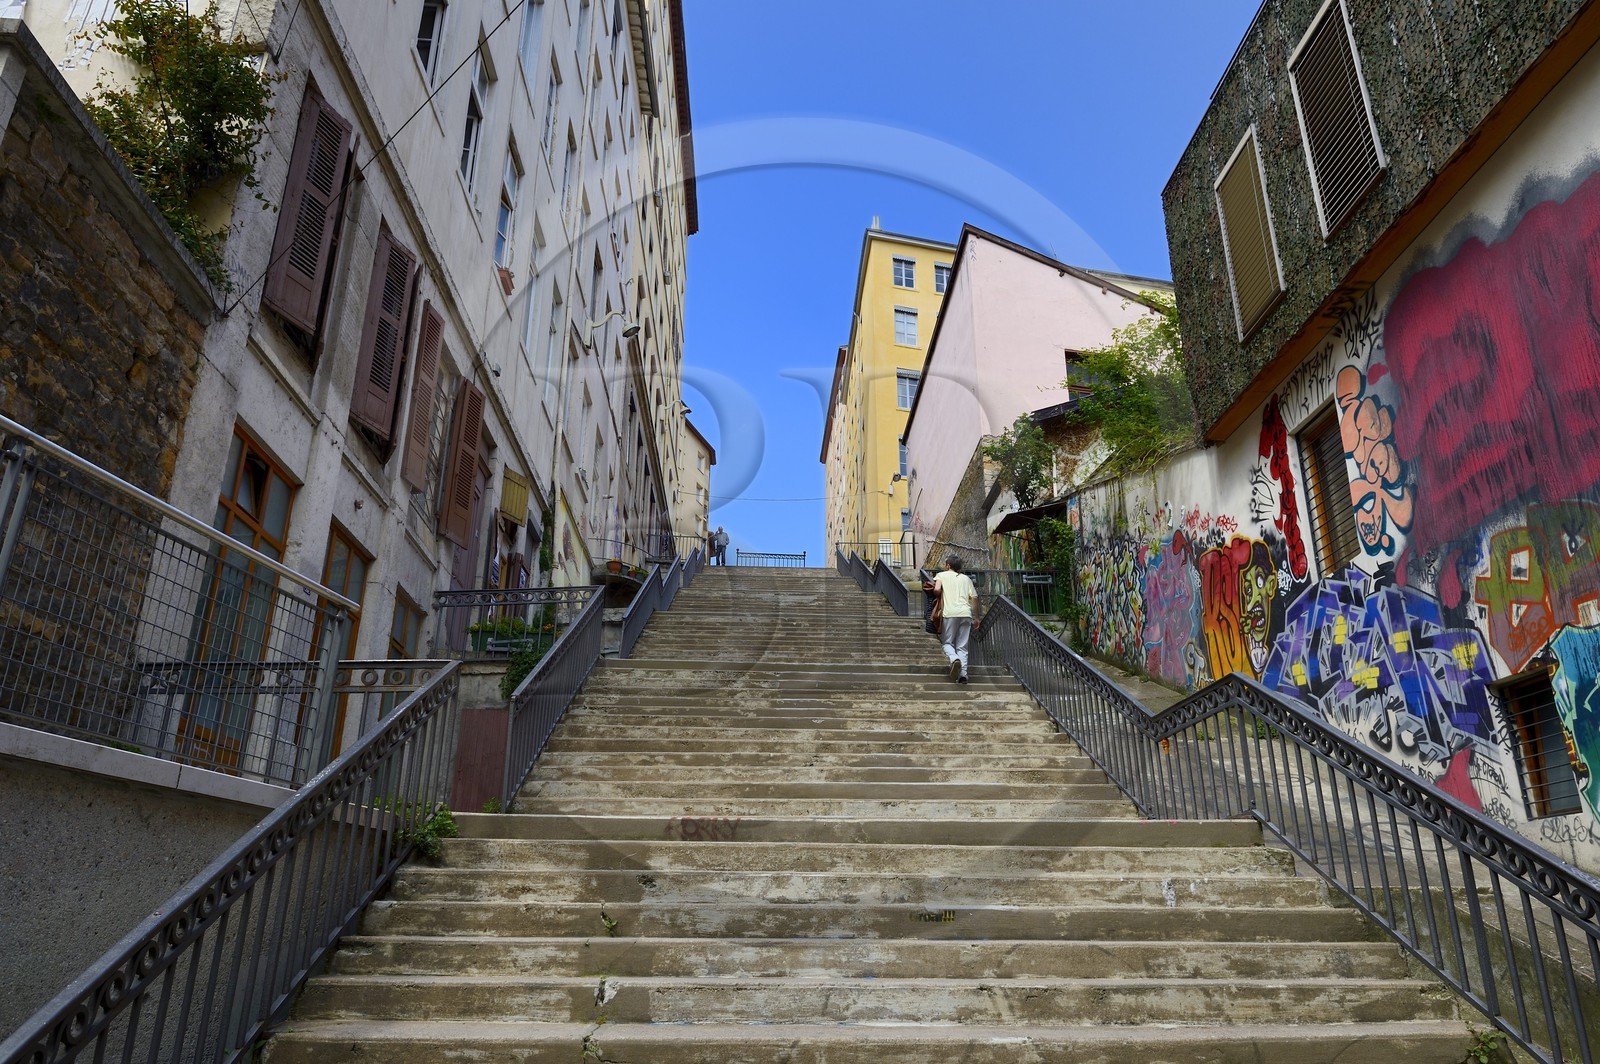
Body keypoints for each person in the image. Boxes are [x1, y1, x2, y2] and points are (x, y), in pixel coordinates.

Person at [933, 555, 979, 683]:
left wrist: (938, 593)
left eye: (945, 564)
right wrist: (976, 618)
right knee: (962, 647)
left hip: (950, 613)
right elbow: (974, 598)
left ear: (948, 565)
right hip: (966, 614)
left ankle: (954, 659)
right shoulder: (966, 579)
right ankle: (963, 675)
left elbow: (936, 589)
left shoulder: (941, 575)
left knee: (947, 643)